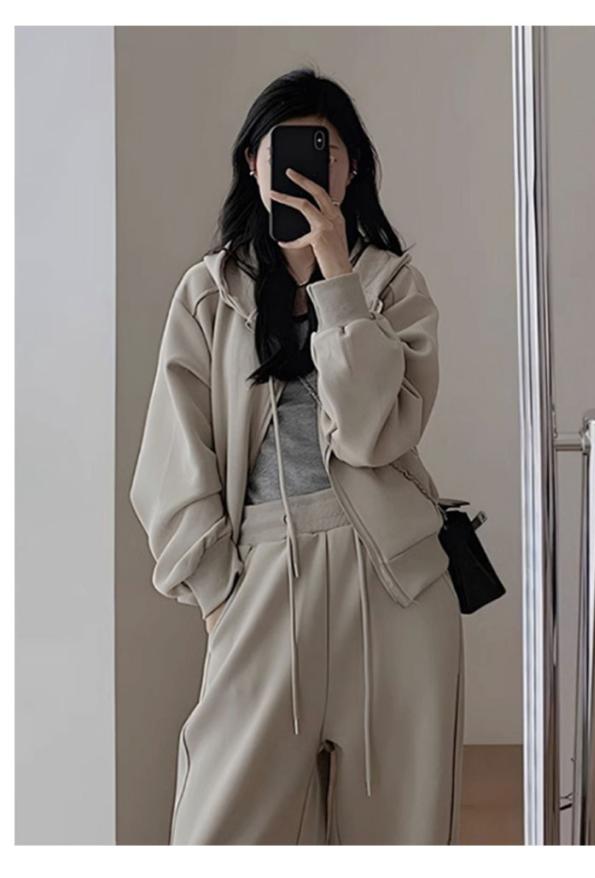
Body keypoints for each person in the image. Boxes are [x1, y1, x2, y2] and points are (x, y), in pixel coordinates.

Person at [129, 66, 464, 845]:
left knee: (400, 841)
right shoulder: (209, 293)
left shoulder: (392, 286)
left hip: (394, 585)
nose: (310, 167)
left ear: (352, 168)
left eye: (327, 151)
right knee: (215, 836)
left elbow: (375, 432)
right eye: (284, 149)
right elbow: (172, 458)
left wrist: (339, 276)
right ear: (253, 162)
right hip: (260, 579)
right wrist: (218, 593)